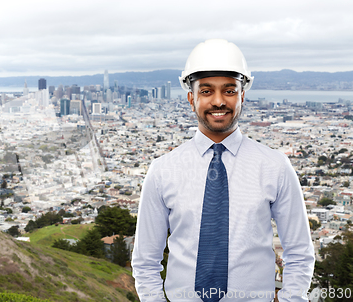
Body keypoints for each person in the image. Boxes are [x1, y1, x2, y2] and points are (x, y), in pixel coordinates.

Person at [131, 39, 315, 302]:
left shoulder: (275, 166)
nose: (218, 101)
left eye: (229, 91)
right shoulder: (163, 171)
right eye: (206, 91)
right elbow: (146, 260)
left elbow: (299, 252)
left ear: (242, 95)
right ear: (191, 98)